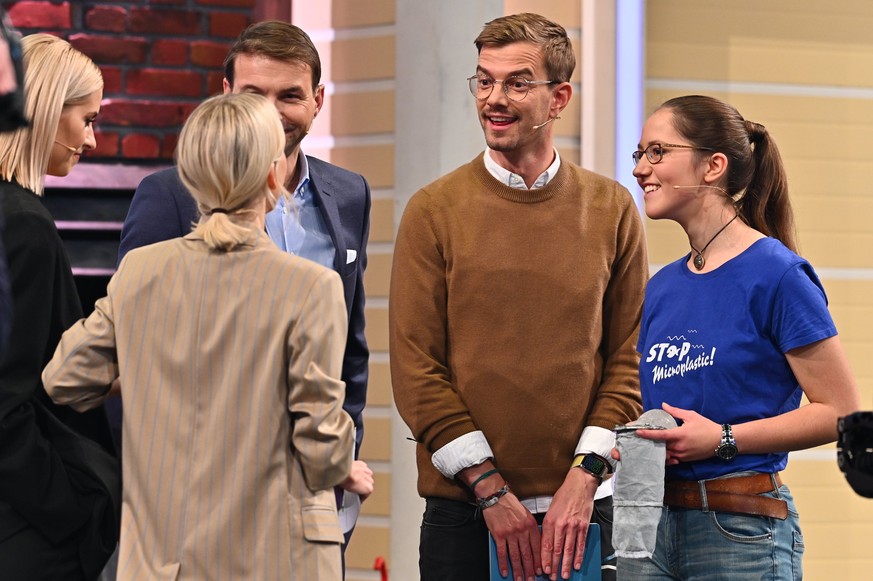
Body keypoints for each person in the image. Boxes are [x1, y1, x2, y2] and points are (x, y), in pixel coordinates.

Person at [43, 92, 357, 580]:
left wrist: (147, 369)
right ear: (274, 174)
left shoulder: (140, 272)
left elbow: (65, 378)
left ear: (190, 178)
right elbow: (321, 448)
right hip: (273, 560)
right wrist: (346, 464)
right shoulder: (311, 287)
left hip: (161, 563)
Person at [390, 13, 648, 581]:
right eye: (484, 80)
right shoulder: (433, 211)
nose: (493, 99)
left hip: (582, 511)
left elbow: (629, 359)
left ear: (560, 98)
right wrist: (491, 493)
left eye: (516, 83)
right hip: (465, 513)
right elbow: (417, 371)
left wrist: (584, 480)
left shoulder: (612, 210)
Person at [114, 20, 373, 558]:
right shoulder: (167, 197)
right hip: (195, 520)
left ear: (319, 100)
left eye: (291, 96)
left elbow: (349, 351)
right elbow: (128, 348)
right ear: (226, 93)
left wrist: (338, 477)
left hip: (308, 512)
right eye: (255, 93)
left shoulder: (349, 194)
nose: (272, 111)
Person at [621, 94, 861, 580]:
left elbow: (841, 413)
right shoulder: (662, 286)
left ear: (713, 166)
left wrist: (723, 440)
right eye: (639, 153)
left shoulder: (777, 275)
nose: (641, 169)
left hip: (740, 529)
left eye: (658, 152)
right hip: (651, 531)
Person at [0, 33, 119, 580]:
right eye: (87, 118)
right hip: (25, 530)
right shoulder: (21, 223)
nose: (91, 139)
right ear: (47, 109)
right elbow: (10, 400)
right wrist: (69, 509)